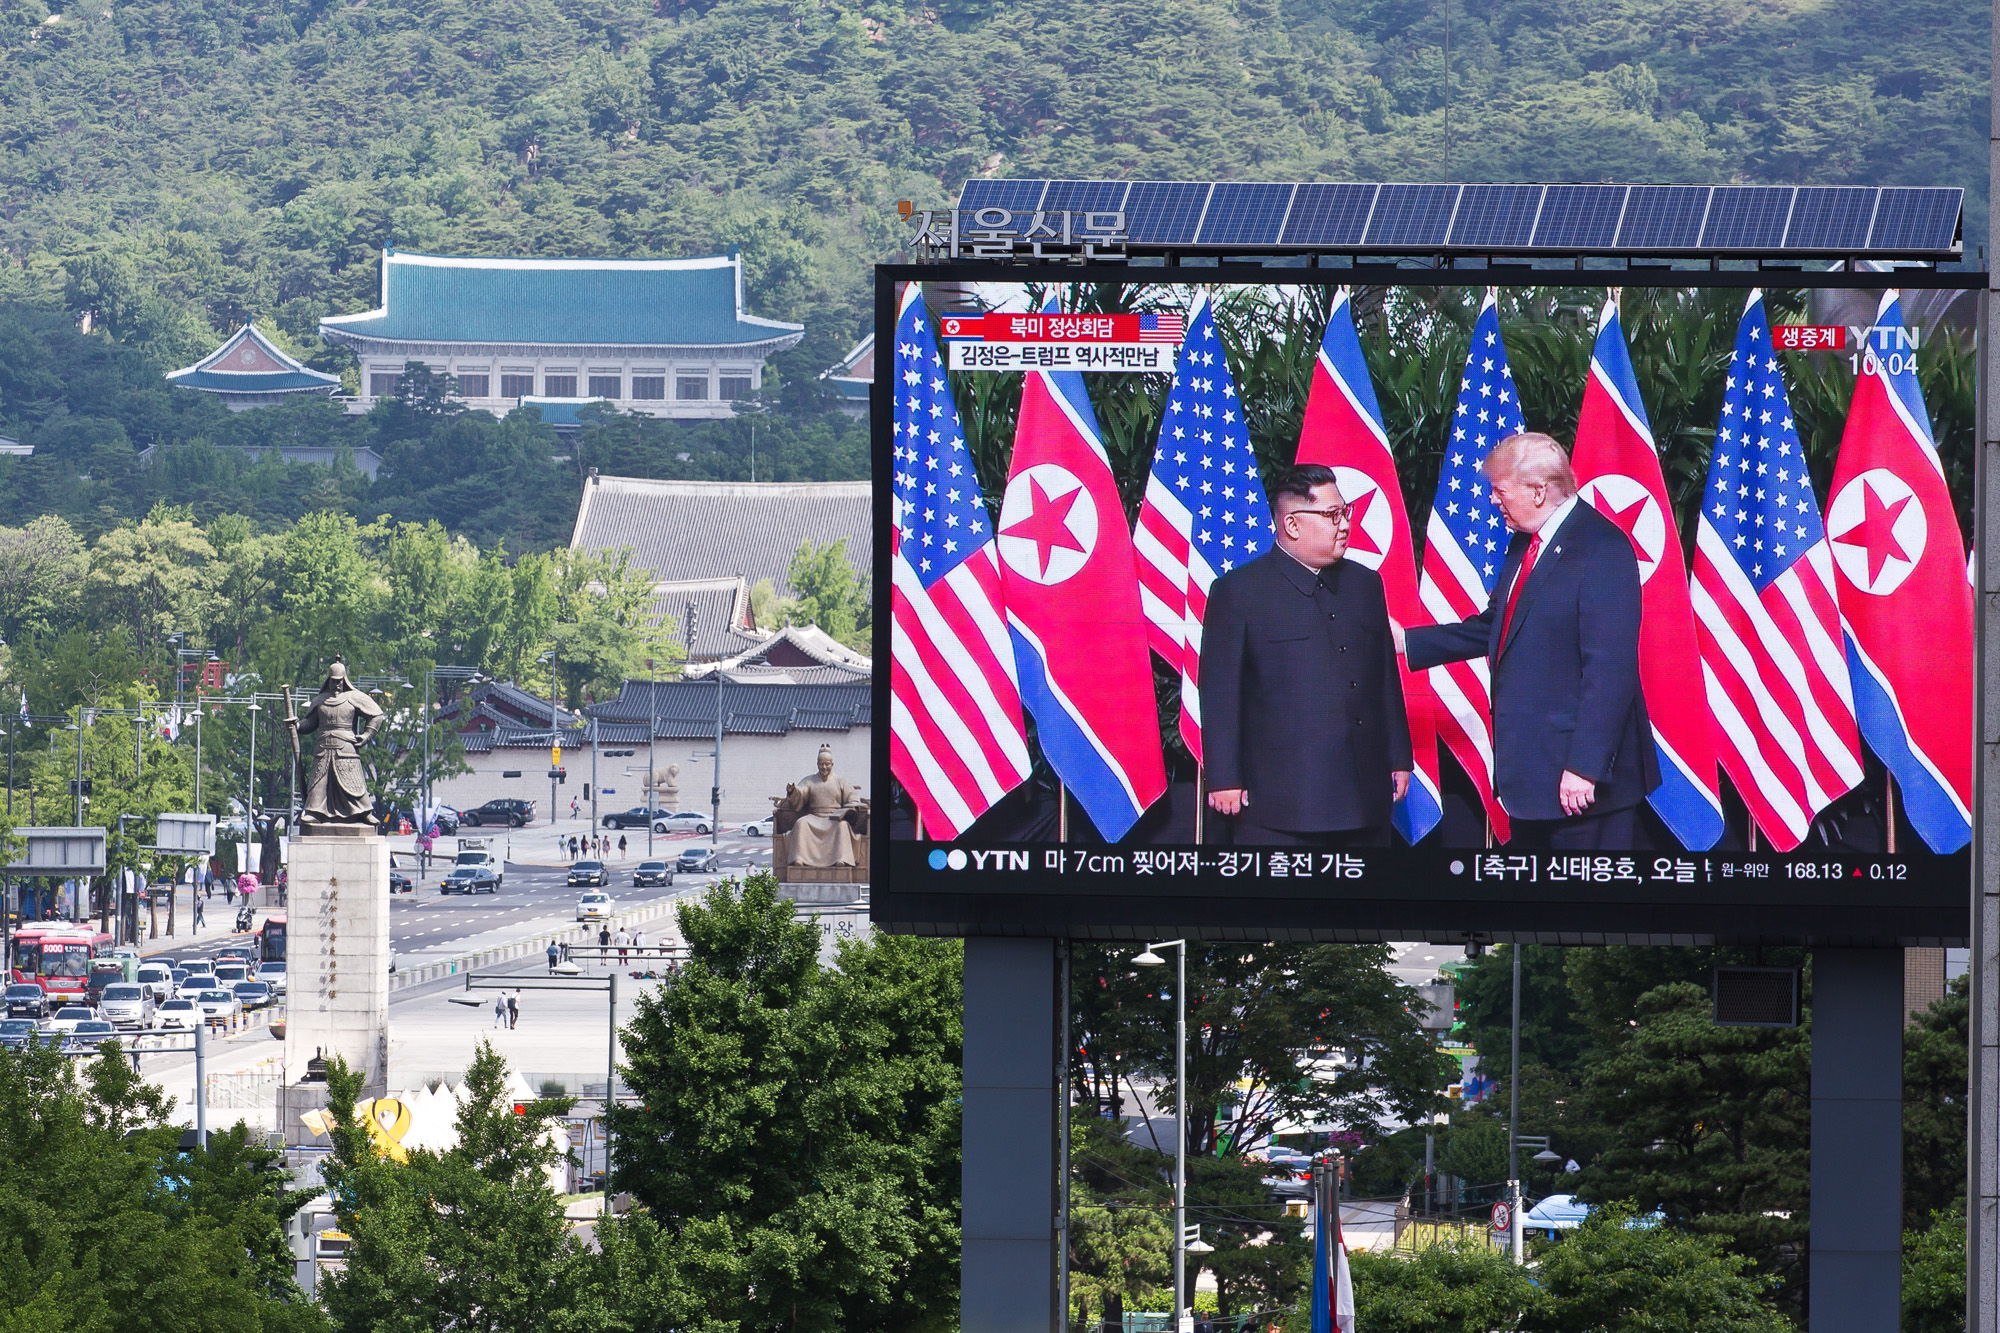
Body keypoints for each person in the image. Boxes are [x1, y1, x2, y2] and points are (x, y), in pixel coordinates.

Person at [1397, 432, 1658, 849]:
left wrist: (1585, 767)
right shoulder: (1525, 542)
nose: (1494, 502)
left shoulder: (1601, 547)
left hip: (1582, 786)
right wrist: (1406, 642)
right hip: (1533, 782)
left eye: (1500, 490)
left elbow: (1609, 670)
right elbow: (1497, 627)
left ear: (1538, 491)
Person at [1201, 464, 1412, 846]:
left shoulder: (1367, 584)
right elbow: (1219, 693)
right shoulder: (1239, 592)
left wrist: (1399, 756)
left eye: (1345, 512)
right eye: (1332, 516)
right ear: (1292, 525)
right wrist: (1224, 778)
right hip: (1280, 803)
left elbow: (1384, 678)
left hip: (1366, 794)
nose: (1345, 525)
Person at [288, 658, 387, 825]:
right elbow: (310, 723)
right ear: (328, 680)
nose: (337, 685)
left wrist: (367, 735)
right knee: (319, 782)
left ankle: (363, 813)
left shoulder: (354, 697)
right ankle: (315, 813)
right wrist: (297, 725)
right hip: (324, 747)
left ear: (345, 680)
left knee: (353, 781)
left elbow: (377, 715)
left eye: (340, 681)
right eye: (334, 681)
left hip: (346, 746)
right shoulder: (320, 700)